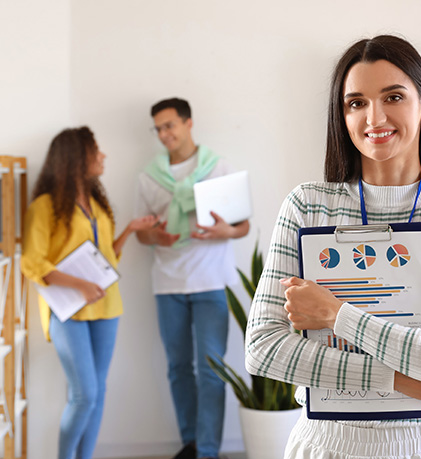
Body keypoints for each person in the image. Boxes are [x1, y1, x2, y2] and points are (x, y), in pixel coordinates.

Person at [245, 35, 421, 459]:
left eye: (393, 96)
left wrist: (334, 313)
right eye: (356, 102)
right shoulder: (308, 205)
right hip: (322, 443)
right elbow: (262, 349)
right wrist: (396, 379)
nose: (373, 116)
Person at [21, 127, 156, 459]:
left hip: (106, 307)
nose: (103, 156)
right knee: (84, 395)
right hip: (67, 311)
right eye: (96, 151)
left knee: (97, 394)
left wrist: (129, 231)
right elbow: (32, 262)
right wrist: (79, 285)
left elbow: (105, 257)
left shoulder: (96, 203)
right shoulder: (44, 206)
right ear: (77, 157)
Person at [134, 98, 250, 459]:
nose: (165, 134)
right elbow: (141, 232)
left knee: (211, 371)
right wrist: (156, 236)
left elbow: (243, 226)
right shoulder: (148, 177)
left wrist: (222, 232)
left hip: (211, 283)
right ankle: (191, 443)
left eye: (170, 125)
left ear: (188, 123)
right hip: (167, 284)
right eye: (159, 128)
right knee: (178, 369)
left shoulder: (219, 169)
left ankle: (209, 452)